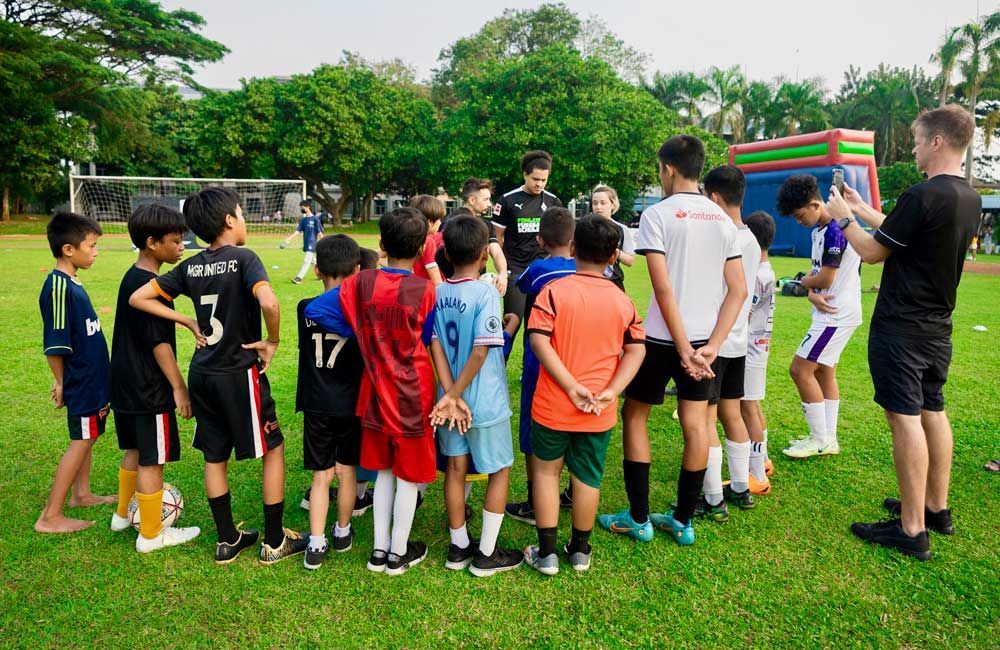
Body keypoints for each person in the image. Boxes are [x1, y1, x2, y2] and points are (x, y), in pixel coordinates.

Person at [828, 104, 980, 560]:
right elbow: (903, 235)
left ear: (936, 142)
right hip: (937, 327)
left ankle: (912, 529)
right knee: (933, 409)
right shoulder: (967, 197)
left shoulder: (923, 194)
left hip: (902, 326)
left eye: (916, 140)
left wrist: (844, 217)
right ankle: (936, 508)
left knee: (904, 417)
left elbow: (873, 253)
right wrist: (864, 209)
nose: (913, 148)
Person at [130, 187, 307, 565]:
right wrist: (272, 341)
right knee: (273, 448)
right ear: (230, 220)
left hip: (203, 372)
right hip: (237, 373)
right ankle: (275, 540)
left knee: (215, 455)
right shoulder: (244, 258)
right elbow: (270, 302)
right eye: (241, 213)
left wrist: (184, 318)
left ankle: (228, 540)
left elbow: (138, 298)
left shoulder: (190, 265)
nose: (243, 220)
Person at [598, 135, 746, 547]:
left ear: (668, 169)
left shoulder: (658, 214)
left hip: (664, 340)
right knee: (697, 424)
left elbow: (663, 291)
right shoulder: (721, 219)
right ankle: (682, 521)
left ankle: (639, 517)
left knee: (635, 416)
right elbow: (738, 290)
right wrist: (711, 345)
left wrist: (681, 347)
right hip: (703, 343)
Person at [305, 207, 437, 576]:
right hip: (413, 395)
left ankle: (379, 551)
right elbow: (427, 340)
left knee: (383, 473)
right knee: (408, 475)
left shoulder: (361, 284)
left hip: (375, 394)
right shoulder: (426, 290)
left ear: (380, 245)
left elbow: (316, 309)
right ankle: (397, 553)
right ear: (424, 247)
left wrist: (363, 333)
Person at [523, 215, 646, 575]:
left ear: (574, 248)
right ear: (613, 257)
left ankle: (545, 554)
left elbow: (538, 340)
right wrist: (611, 391)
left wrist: (569, 385)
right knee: (587, 477)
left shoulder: (553, 293)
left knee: (547, 474)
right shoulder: (622, 301)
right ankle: (580, 551)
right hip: (598, 411)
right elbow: (637, 350)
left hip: (552, 405)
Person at [427, 215, 523, 577]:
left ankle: (458, 546)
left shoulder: (437, 293)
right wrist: (457, 394)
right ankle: (485, 553)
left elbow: (435, 344)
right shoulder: (486, 293)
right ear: (485, 253)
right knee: (499, 470)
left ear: (446, 253)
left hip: (450, 404)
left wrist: (449, 394)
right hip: (483, 403)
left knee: (455, 469)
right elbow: (482, 350)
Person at [109, 205, 201, 552]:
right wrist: (179, 387)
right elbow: (159, 344)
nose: (182, 247)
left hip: (124, 382)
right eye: (176, 241)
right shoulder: (152, 287)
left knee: (134, 448)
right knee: (153, 458)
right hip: (149, 387)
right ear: (151, 242)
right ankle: (151, 534)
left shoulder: (131, 277)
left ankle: (122, 515)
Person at [36, 212, 115, 533]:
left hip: (94, 380)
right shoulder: (57, 288)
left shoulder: (71, 282)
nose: (95, 252)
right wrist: (62, 381)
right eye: (91, 246)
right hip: (81, 381)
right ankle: (50, 516)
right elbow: (55, 344)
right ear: (69, 249)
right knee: (80, 441)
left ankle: (81, 494)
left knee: (90, 435)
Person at [295, 235, 370, 570]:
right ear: (356, 270)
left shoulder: (304, 308)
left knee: (321, 475)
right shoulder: (361, 312)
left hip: (316, 402)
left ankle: (316, 542)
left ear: (316, 270)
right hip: (350, 403)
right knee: (346, 469)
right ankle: (342, 531)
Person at [775, 174, 862, 459]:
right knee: (825, 371)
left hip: (835, 314)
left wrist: (801, 284)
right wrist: (810, 290)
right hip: (828, 310)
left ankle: (819, 439)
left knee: (800, 370)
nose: (799, 221)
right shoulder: (820, 230)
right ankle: (828, 438)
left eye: (801, 215)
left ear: (815, 204)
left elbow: (825, 275)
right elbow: (818, 276)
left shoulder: (836, 230)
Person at [503, 207, 577, 525]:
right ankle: (574, 491)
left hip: (540, 359)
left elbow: (521, 287)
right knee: (576, 426)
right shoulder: (584, 270)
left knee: (533, 431)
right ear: (573, 240)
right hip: (577, 358)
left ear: (540, 240)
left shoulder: (538, 269)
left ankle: (536, 500)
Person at [700, 165, 761, 517]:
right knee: (731, 413)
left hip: (714, 339)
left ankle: (712, 498)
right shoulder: (750, 237)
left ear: (714, 198)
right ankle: (740, 486)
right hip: (739, 339)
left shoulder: (722, 237)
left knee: (706, 419)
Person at [491, 150, 563, 334]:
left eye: (544, 180)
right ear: (525, 174)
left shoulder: (553, 202)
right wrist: (502, 270)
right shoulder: (507, 201)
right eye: (535, 179)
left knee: (537, 328)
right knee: (511, 324)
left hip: (541, 269)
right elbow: (497, 239)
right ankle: (500, 361)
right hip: (515, 270)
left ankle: (529, 364)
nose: (539, 184)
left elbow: (559, 239)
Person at [740, 211, 778, 491]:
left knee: (748, 407)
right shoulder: (766, 270)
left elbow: (745, 313)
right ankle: (762, 459)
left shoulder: (757, 274)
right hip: (759, 347)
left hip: (750, 349)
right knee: (753, 405)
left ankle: (758, 476)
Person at [461, 177, 509, 295]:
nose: (489, 203)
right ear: (472, 200)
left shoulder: (486, 225)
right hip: (459, 287)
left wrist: (503, 274)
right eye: (486, 199)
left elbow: (497, 252)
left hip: (476, 287)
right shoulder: (451, 224)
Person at [590, 185, 634, 291]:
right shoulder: (585, 227)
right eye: (595, 203)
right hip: (589, 281)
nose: (598, 207)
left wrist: (614, 251)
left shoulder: (621, 229)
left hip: (614, 283)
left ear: (613, 204)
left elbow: (630, 261)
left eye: (603, 203)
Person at [281, 200, 324, 284]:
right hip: (306, 243)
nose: (301, 209)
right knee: (313, 261)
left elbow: (319, 232)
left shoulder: (315, 219)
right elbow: (298, 231)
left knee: (306, 261)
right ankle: (322, 276)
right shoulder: (304, 220)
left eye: (302, 207)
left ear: (308, 207)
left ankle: (298, 278)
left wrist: (325, 243)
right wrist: (289, 238)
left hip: (312, 243)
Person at [408, 194, 445, 286]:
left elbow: (379, 256)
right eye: (438, 219)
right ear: (429, 222)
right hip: (426, 291)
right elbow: (434, 273)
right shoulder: (428, 242)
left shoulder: (406, 237)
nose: (440, 222)